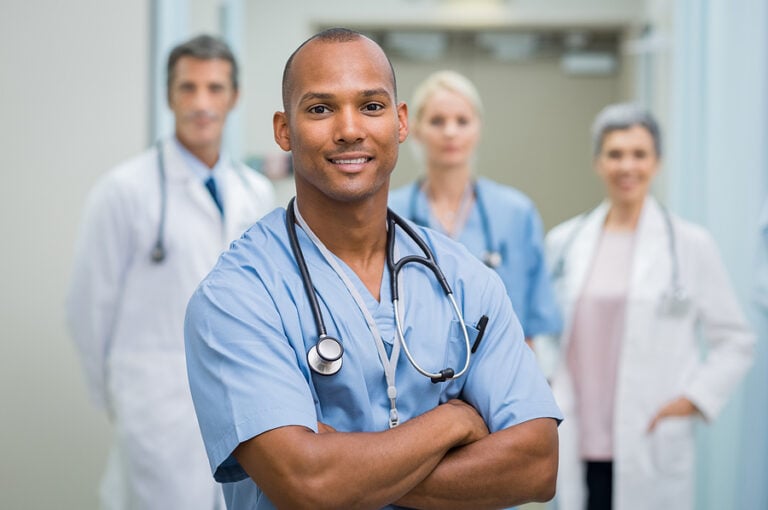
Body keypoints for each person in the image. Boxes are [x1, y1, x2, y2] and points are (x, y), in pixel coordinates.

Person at [184, 27, 562, 510]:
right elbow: (306, 485)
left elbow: (537, 465)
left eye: (372, 106)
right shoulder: (237, 296)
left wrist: (345, 461)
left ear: (401, 122)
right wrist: (452, 423)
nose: (349, 129)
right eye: (320, 108)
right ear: (284, 130)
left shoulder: (464, 281)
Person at [66, 34, 274, 510]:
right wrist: (127, 397)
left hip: (242, 403)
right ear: (168, 95)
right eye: (188, 88)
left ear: (234, 97)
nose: (202, 103)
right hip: (157, 406)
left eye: (215, 88)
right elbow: (86, 309)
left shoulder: (256, 192)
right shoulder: (123, 191)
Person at [544, 103, 754, 510]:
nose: (627, 166)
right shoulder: (564, 242)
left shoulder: (691, 245)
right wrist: (548, 382)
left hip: (650, 433)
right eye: (615, 154)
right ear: (597, 162)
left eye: (639, 154)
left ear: (656, 162)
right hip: (578, 430)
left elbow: (735, 340)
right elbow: (547, 332)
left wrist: (693, 398)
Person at [389, 70, 561, 345]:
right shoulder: (389, 213)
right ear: (414, 129)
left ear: (478, 128)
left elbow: (528, 327)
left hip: (499, 370)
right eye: (437, 121)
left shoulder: (515, 213)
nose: (450, 132)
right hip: (414, 371)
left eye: (462, 121)